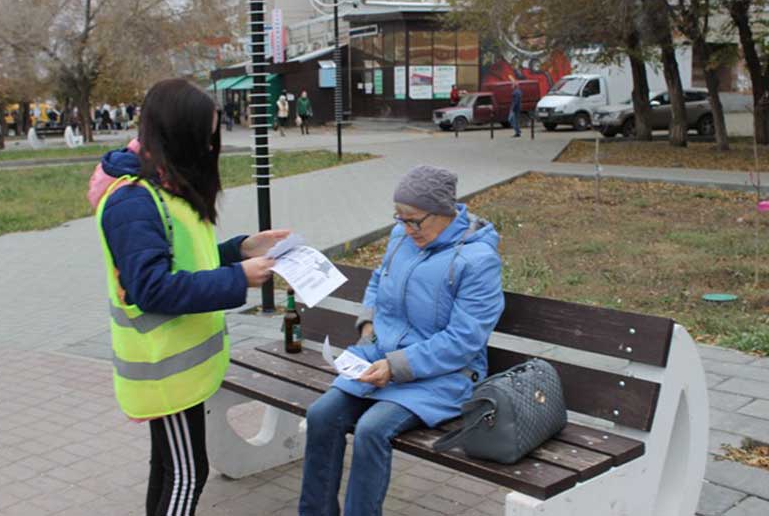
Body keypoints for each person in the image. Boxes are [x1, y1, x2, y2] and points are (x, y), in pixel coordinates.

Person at [89, 78, 288, 516]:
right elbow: (153, 287)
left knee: (169, 467)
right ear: (177, 134)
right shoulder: (134, 202)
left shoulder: (164, 186)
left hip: (179, 368)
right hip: (165, 370)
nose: (209, 146)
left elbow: (185, 261)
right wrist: (239, 279)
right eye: (204, 136)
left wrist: (240, 249)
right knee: (188, 473)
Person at [298, 165, 505, 516]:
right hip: (382, 358)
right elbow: (379, 282)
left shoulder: (478, 260)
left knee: (371, 430)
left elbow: (465, 340)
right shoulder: (402, 238)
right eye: (400, 218)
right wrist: (368, 327)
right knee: (321, 416)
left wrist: (395, 367)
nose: (406, 229)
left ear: (443, 212)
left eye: (414, 221)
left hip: (444, 375)